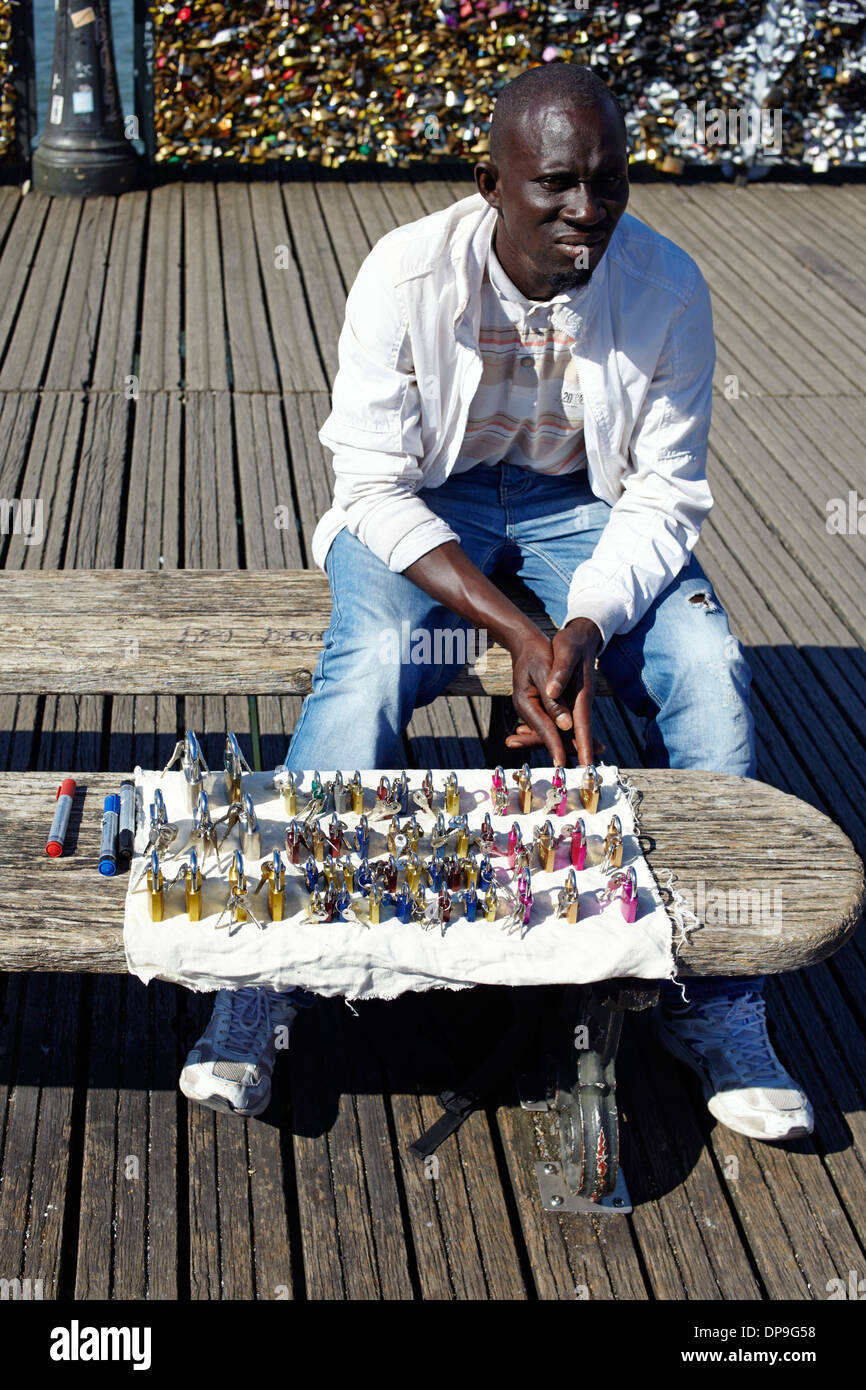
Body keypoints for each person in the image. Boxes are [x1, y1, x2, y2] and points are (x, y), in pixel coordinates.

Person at [180, 62, 812, 1142]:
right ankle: (265, 975)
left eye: (608, 182)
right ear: (490, 181)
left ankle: (718, 1002)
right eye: (557, 184)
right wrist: (516, 629)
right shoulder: (402, 274)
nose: (587, 211)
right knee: (372, 656)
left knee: (706, 669)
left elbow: (663, 493)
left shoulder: (666, 285)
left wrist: (582, 623)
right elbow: (370, 485)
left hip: (585, 506)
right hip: (435, 503)